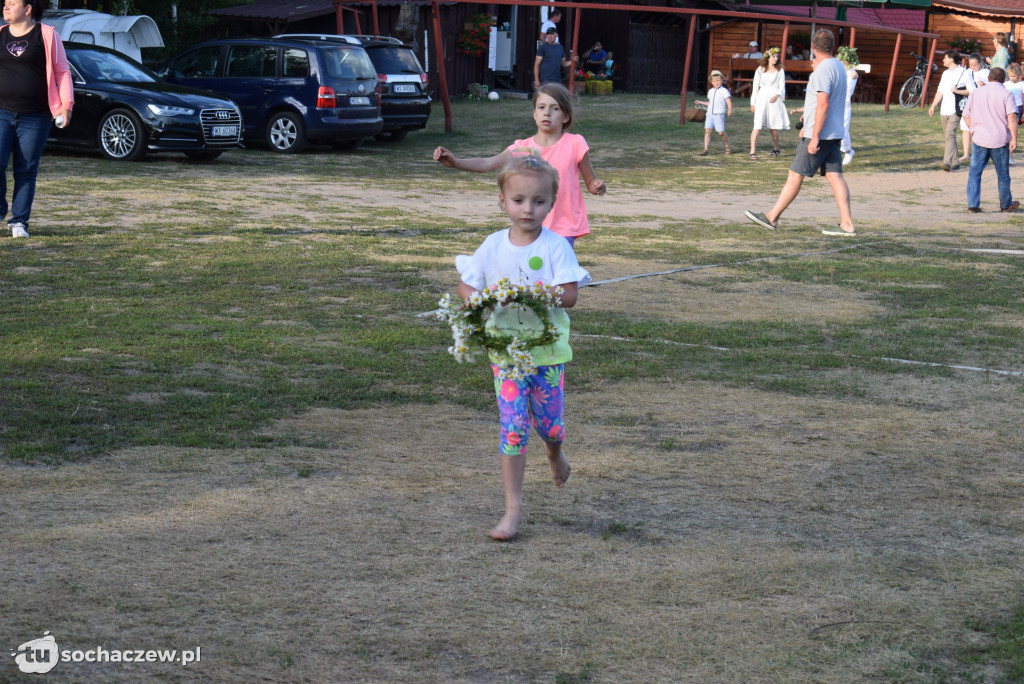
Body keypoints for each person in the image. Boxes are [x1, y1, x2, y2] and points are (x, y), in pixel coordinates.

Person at [454, 149, 590, 541]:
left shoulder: (556, 246)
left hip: (547, 354)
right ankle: (512, 509)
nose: (527, 209)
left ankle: (554, 452)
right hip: (506, 355)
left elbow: (569, 295)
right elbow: (468, 283)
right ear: (502, 201)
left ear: (551, 203)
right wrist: (475, 298)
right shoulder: (492, 245)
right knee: (513, 429)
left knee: (549, 425)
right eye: (518, 200)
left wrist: (532, 294)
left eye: (538, 201)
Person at [433, 83, 606, 247]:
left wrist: (597, 186)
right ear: (534, 114)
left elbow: (591, 182)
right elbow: (487, 163)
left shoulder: (575, 143)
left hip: (564, 228)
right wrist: (455, 162)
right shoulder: (523, 148)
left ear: (566, 116)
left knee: (556, 276)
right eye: (542, 107)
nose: (547, 113)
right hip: (531, 225)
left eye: (555, 108)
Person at [744, 29, 855, 236]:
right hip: (834, 133)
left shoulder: (822, 70)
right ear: (833, 47)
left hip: (820, 135)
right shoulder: (839, 67)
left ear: (813, 48)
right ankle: (847, 224)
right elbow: (822, 104)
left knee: (795, 174)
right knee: (835, 176)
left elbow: (823, 105)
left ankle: (772, 217)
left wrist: (814, 136)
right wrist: (807, 121)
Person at [0, 0, 74, 239]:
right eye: (5, 3)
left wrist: (66, 106)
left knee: (26, 169)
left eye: (12, 3)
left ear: (28, 9)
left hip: (36, 115)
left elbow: (62, 72)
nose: (6, 6)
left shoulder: (47, 35)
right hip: (1, 112)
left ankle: (19, 221)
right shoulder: (0, 34)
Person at [962, 66, 1019, 213]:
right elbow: (1011, 118)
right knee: (1003, 174)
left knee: (975, 172)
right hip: (999, 139)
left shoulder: (976, 93)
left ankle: (973, 205)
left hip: (980, 138)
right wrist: (1014, 138)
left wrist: (973, 129)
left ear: (988, 78)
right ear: (1004, 79)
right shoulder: (1007, 94)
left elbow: (966, 115)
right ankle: (1006, 204)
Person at [928, 49, 970, 171]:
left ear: (951, 59)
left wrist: (958, 91)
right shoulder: (945, 73)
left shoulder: (964, 73)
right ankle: (956, 162)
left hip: (956, 109)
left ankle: (946, 162)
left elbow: (971, 90)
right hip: (944, 109)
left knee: (949, 135)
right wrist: (933, 105)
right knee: (949, 136)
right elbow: (940, 91)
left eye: (945, 58)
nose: (943, 60)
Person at [748, 47, 789, 160]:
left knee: (773, 126)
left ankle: (776, 148)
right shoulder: (760, 69)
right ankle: (752, 152)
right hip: (761, 97)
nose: (776, 59)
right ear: (768, 57)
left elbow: (782, 86)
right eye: (774, 56)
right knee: (757, 125)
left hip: (773, 97)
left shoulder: (780, 70)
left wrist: (776, 96)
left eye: (777, 57)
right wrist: (753, 103)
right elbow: (755, 87)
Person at [960, 53, 991, 163]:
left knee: (980, 128)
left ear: (980, 63)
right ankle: (966, 153)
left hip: (981, 103)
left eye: (975, 65)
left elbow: (993, 87)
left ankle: (981, 153)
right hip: (968, 102)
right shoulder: (967, 72)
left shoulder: (986, 73)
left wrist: (984, 84)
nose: (972, 67)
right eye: (971, 64)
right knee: (965, 128)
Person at [696, 70, 733, 156]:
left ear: (722, 81)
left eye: (718, 81)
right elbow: (710, 103)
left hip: (719, 114)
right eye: (714, 81)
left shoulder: (724, 91)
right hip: (710, 114)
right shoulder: (711, 91)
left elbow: (728, 101)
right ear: (712, 82)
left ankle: (728, 146)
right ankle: (705, 149)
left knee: (720, 132)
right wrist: (700, 102)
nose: (716, 83)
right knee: (707, 131)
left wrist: (730, 110)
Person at [837, 46, 859, 165]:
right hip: (835, 102)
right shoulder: (839, 72)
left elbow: (853, 76)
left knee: (843, 130)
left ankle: (848, 151)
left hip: (844, 104)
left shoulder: (852, 73)